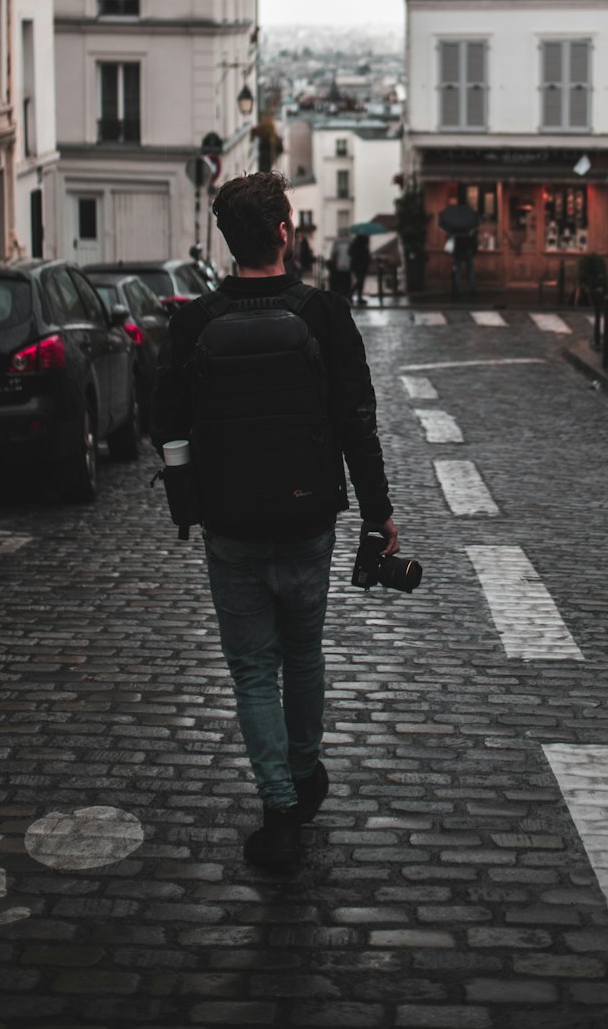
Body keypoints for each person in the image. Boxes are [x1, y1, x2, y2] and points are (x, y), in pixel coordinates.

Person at [151, 171, 399, 868]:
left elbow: (166, 423)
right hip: (307, 517)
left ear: (228, 242)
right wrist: (379, 516)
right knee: (303, 653)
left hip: (229, 525)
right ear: (285, 231)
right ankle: (306, 769)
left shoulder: (194, 322)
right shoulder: (323, 313)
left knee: (253, 671)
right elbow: (357, 423)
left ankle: (279, 809)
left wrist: (187, 502)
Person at [451, 228, 477, 300]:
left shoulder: (456, 228)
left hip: (458, 252)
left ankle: (457, 290)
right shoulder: (470, 228)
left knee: (457, 272)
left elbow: (453, 240)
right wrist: (474, 251)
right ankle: (473, 289)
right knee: (471, 271)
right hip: (468, 251)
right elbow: (474, 240)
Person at [328, 233, 353, 299]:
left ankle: (340, 297)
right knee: (347, 282)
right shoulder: (350, 242)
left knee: (339, 283)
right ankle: (347, 296)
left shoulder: (337, 242)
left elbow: (333, 254)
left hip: (339, 266)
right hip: (348, 266)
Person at [349, 232, 371, 306]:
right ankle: (352, 294)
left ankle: (358, 297)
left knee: (360, 282)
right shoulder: (363, 247)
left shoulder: (354, 245)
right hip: (361, 266)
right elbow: (366, 257)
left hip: (356, 266)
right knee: (360, 282)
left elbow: (349, 253)